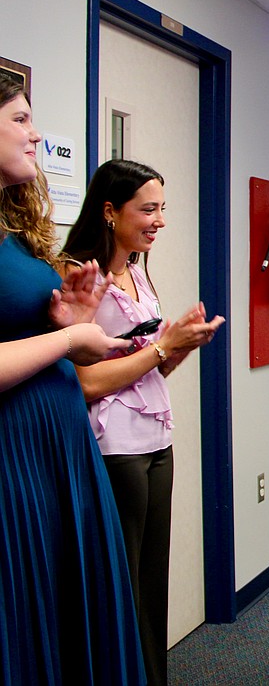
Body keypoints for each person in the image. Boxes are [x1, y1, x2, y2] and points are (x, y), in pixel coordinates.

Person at [0, 74, 146, 683]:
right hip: (12, 454)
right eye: (19, 119)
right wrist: (68, 338)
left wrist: (75, 319)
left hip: (58, 446)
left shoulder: (13, 231)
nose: (36, 134)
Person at [61, 158, 225, 686]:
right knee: (123, 581)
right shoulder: (78, 275)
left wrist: (180, 345)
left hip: (155, 438)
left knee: (153, 579)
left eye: (162, 209)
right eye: (147, 209)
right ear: (109, 212)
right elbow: (85, 383)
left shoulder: (136, 270)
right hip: (115, 447)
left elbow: (147, 365)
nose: (158, 221)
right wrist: (162, 346)